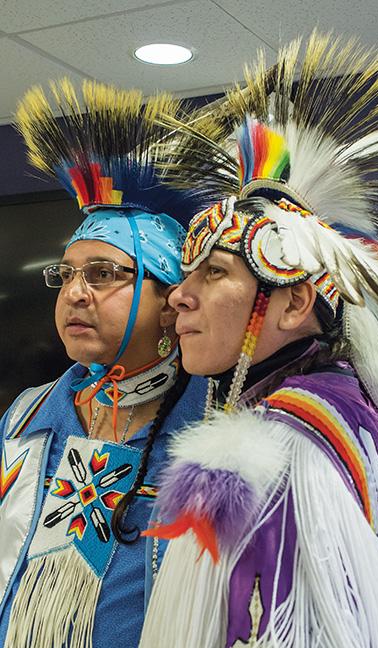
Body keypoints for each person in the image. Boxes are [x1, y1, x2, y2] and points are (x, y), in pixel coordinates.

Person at [139, 33, 378, 647]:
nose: (179, 296)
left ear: (295, 302)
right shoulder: (349, 406)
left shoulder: (273, 449)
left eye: (216, 272)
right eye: (185, 272)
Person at [0, 79, 209, 648]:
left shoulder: (215, 431)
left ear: (171, 301)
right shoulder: (26, 416)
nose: (74, 293)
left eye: (103, 273)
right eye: (65, 274)